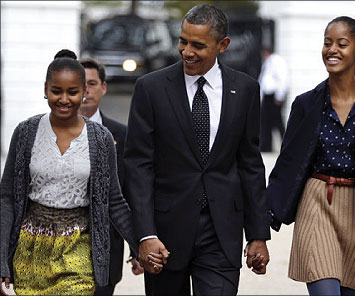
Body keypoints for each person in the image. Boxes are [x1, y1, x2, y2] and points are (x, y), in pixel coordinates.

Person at [123, 4, 271, 296]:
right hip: (164, 235)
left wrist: (257, 234)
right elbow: (138, 166)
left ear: (223, 45)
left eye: (198, 45)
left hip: (221, 233)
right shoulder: (150, 89)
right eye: (183, 41)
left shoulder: (246, 90)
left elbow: (250, 164)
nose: (186, 51)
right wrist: (145, 234)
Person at [265, 16, 355, 295]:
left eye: (341, 43)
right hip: (317, 203)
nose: (332, 49)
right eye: (327, 43)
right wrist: (260, 227)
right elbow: (287, 165)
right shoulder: (305, 104)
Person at [0, 49, 151, 296]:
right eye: (56, 91)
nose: (64, 99)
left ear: (83, 92)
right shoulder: (26, 132)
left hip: (78, 247)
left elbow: (114, 201)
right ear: (45, 89)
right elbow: (7, 198)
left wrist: (140, 245)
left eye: (72, 92)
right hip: (30, 250)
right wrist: (1, 259)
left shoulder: (101, 139)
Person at [78, 58, 144, 296]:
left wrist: (137, 247)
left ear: (103, 87)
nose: (86, 90)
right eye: (80, 83)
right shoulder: (46, 132)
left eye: (92, 83)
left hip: (106, 252)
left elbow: (129, 194)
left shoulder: (121, 135)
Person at [258, 46, 289, 152]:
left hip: (274, 96)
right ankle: (266, 146)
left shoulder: (277, 61)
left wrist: (280, 96)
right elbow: (263, 80)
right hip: (267, 96)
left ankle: (286, 145)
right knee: (266, 122)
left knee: (277, 122)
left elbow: (282, 78)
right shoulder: (267, 62)